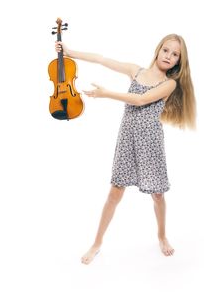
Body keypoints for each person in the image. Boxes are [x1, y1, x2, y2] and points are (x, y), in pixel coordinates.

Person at [55, 34, 196, 265]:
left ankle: (161, 236)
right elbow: (102, 59)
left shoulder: (170, 84)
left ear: (179, 61)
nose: (169, 56)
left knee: (158, 194)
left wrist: (106, 93)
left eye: (175, 54)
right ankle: (97, 242)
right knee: (115, 192)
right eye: (166, 50)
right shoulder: (136, 71)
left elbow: (140, 100)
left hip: (150, 143)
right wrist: (71, 53)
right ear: (158, 50)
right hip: (127, 139)